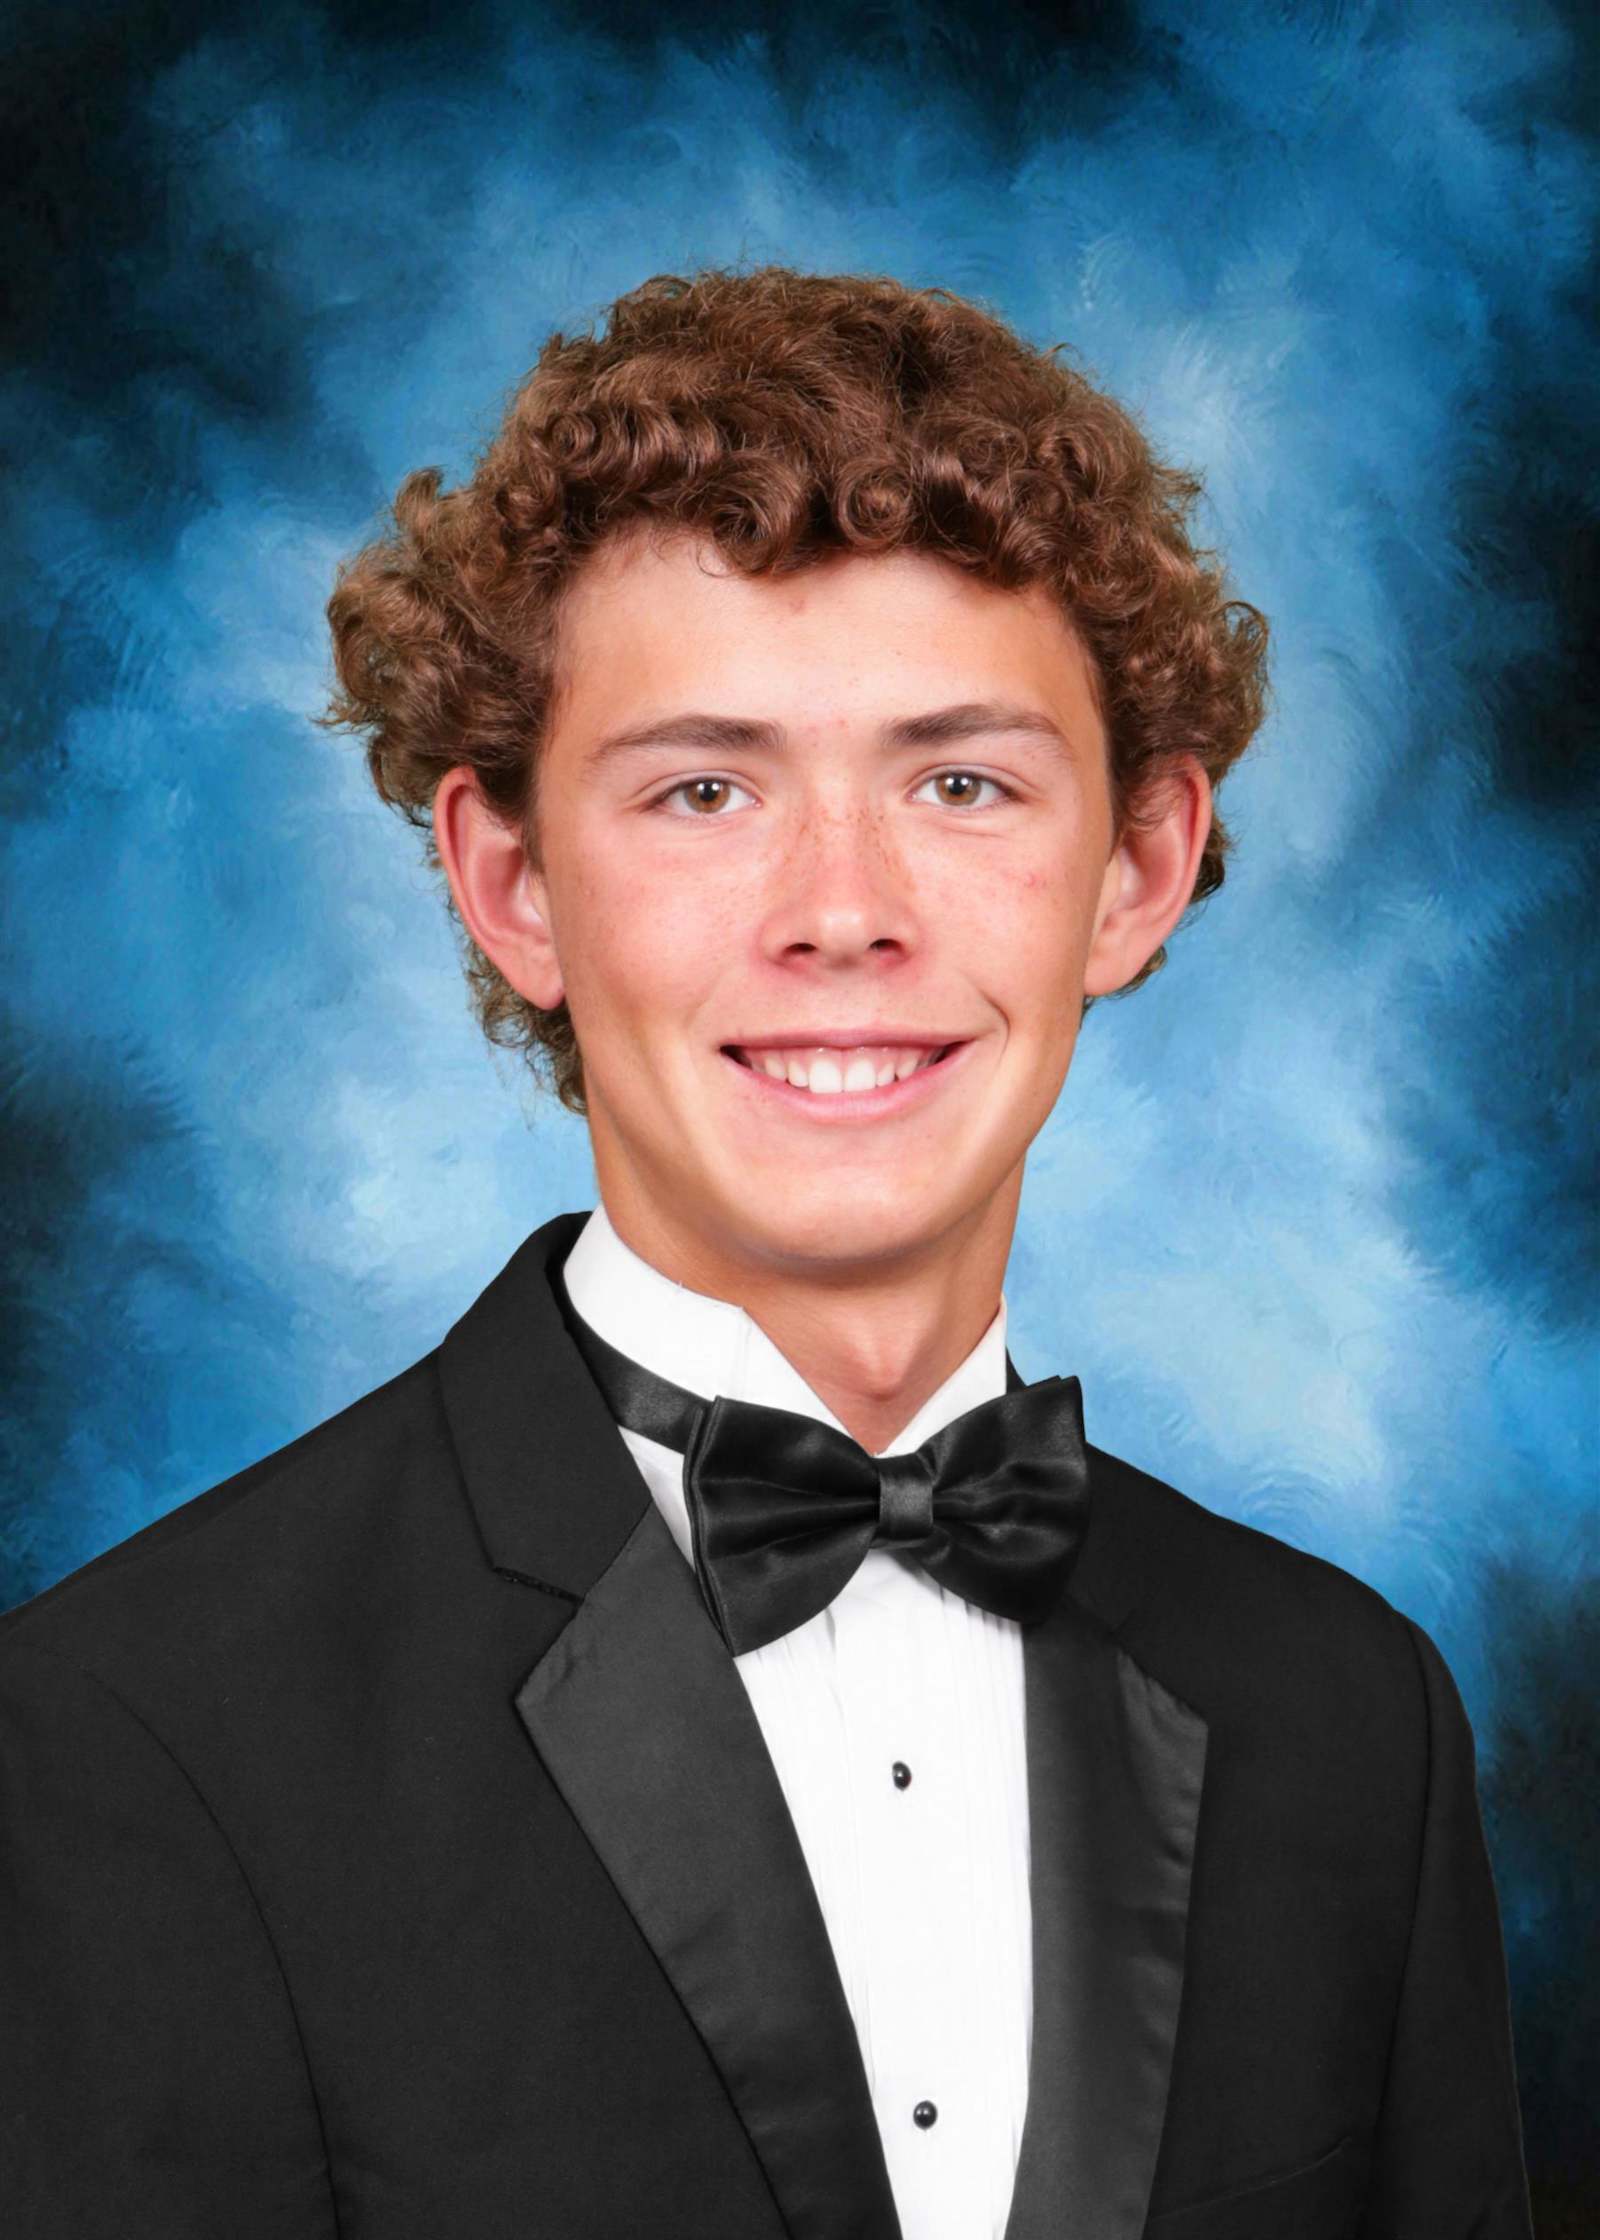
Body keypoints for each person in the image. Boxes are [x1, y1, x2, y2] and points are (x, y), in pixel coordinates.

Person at [0, 268, 1532, 2239]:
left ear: (1134, 870)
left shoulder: (1352, 1716)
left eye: (958, 779)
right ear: (512, 884)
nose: (841, 910)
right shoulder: (129, 1738)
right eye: (704, 787)